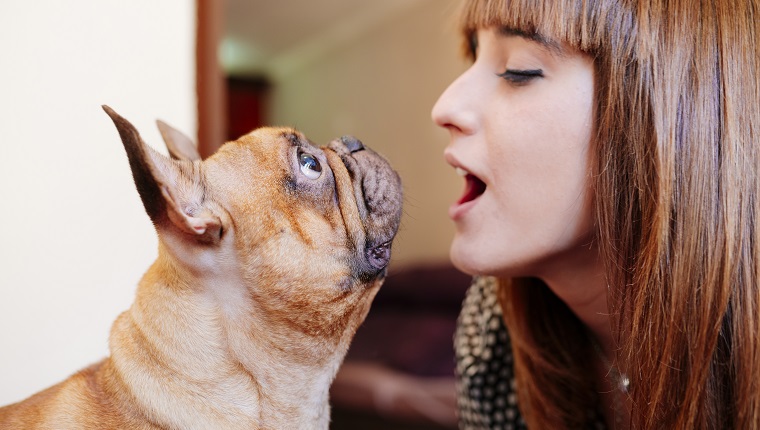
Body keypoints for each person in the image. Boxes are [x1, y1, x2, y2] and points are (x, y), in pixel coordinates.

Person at [431, 0, 760, 428]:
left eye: (519, 69)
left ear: (671, 113)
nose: (443, 107)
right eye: (474, 54)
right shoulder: (494, 326)